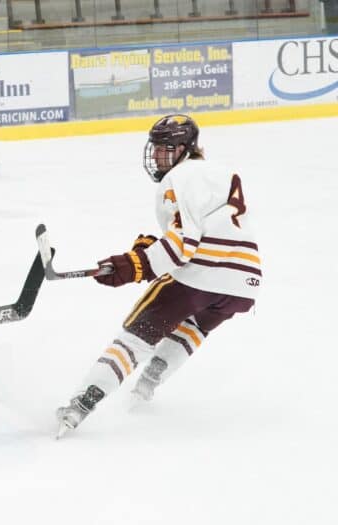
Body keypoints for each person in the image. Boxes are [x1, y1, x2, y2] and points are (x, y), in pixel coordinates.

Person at [55, 115, 261, 438]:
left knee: (134, 338)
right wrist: (152, 248)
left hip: (201, 274)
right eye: (155, 148)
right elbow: (204, 233)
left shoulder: (177, 178)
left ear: (184, 149)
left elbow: (182, 248)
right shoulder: (220, 171)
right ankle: (145, 389)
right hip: (244, 282)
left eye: (164, 149)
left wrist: (134, 265)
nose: (155, 156)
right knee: (192, 326)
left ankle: (80, 404)